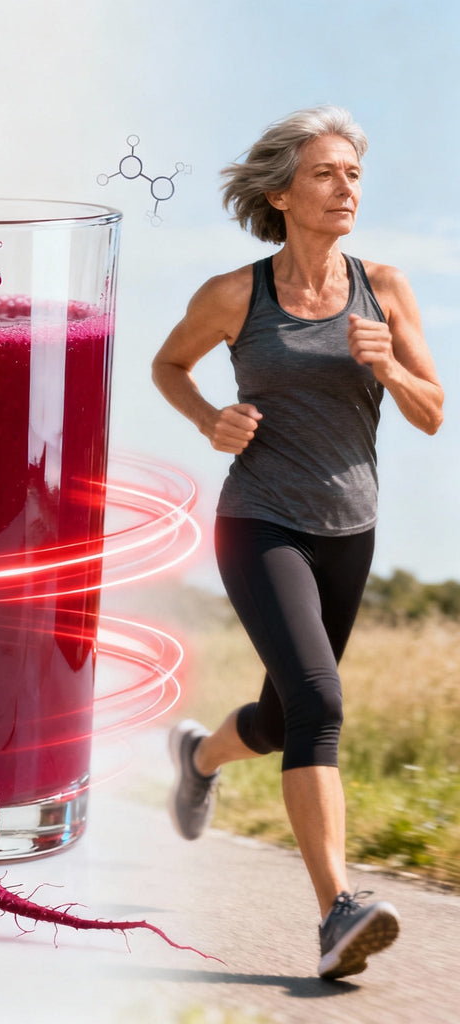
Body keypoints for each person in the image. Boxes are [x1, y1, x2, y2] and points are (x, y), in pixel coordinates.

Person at [151, 106, 444, 981]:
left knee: (286, 719)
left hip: (351, 528)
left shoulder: (384, 289)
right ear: (281, 193)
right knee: (319, 700)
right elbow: (170, 365)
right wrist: (212, 418)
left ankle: (199, 756)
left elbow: (434, 412)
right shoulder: (236, 295)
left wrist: (387, 364)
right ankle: (337, 915)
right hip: (260, 521)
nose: (345, 187)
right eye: (325, 173)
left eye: (353, 173)